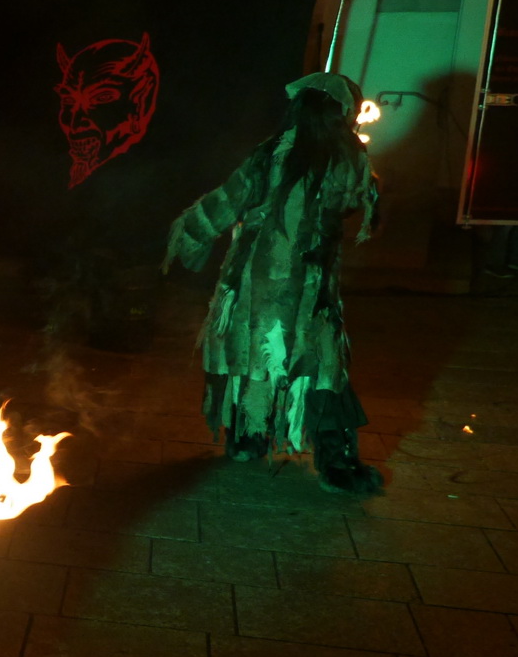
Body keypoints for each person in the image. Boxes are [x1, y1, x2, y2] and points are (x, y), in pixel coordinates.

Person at [163, 71, 383, 495]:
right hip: (308, 291)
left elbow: (226, 201)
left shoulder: (269, 153)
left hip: (253, 287)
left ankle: (248, 440)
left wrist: (188, 235)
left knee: (251, 358)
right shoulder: (350, 157)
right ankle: (337, 464)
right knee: (319, 369)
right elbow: (360, 202)